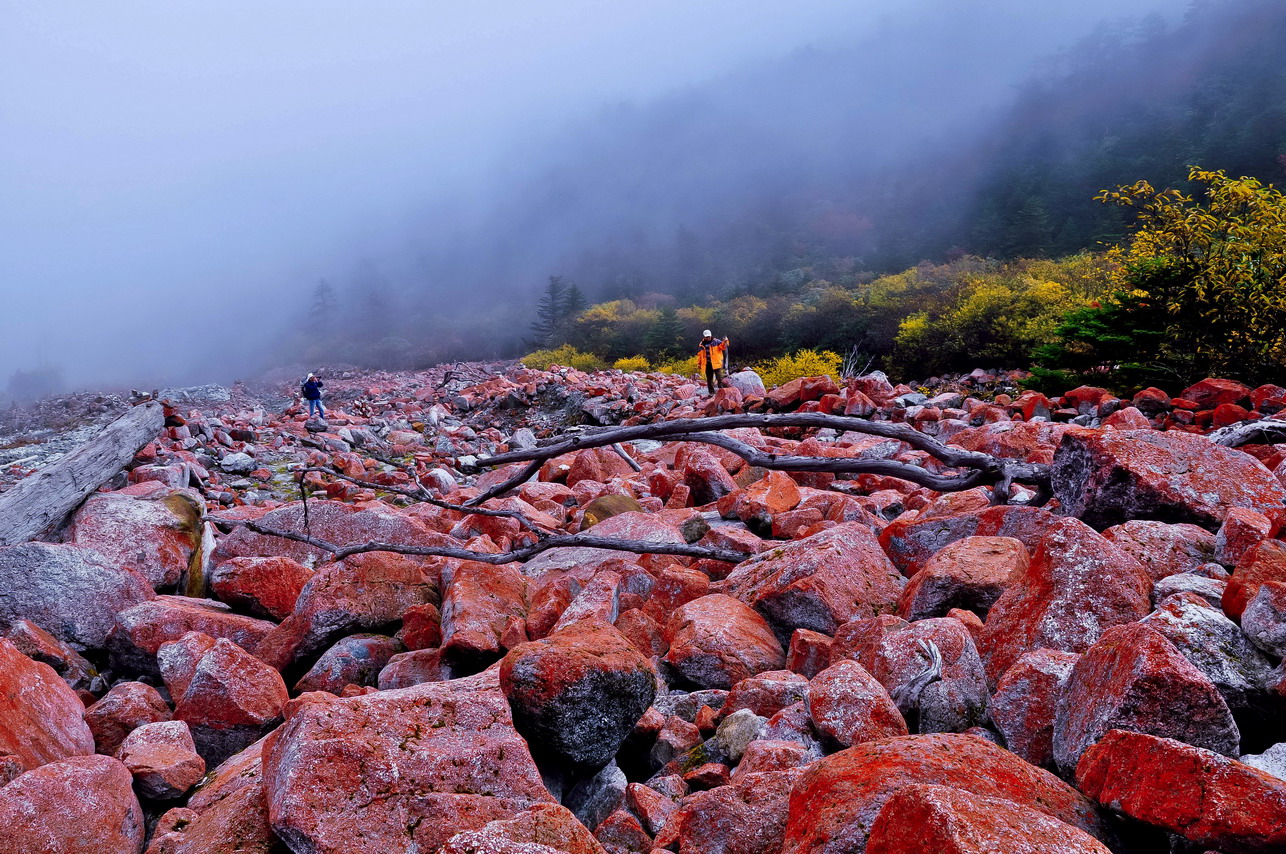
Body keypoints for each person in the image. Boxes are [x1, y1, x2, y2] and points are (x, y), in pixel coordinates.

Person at [696, 330, 729, 394]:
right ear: (704, 337)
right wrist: (699, 364)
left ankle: (721, 391)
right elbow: (700, 355)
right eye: (706, 337)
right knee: (709, 379)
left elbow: (723, 347)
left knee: (719, 378)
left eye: (709, 336)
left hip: (716, 363)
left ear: (711, 335)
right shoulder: (701, 344)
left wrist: (725, 341)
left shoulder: (716, 342)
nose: (708, 338)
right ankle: (711, 392)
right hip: (707, 364)